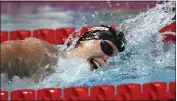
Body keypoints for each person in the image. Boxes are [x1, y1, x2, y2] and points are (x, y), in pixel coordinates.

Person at [1, 25, 126, 83]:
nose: (106, 59)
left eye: (111, 58)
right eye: (107, 48)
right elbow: (11, 50)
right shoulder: (46, 53)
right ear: (88, 39)